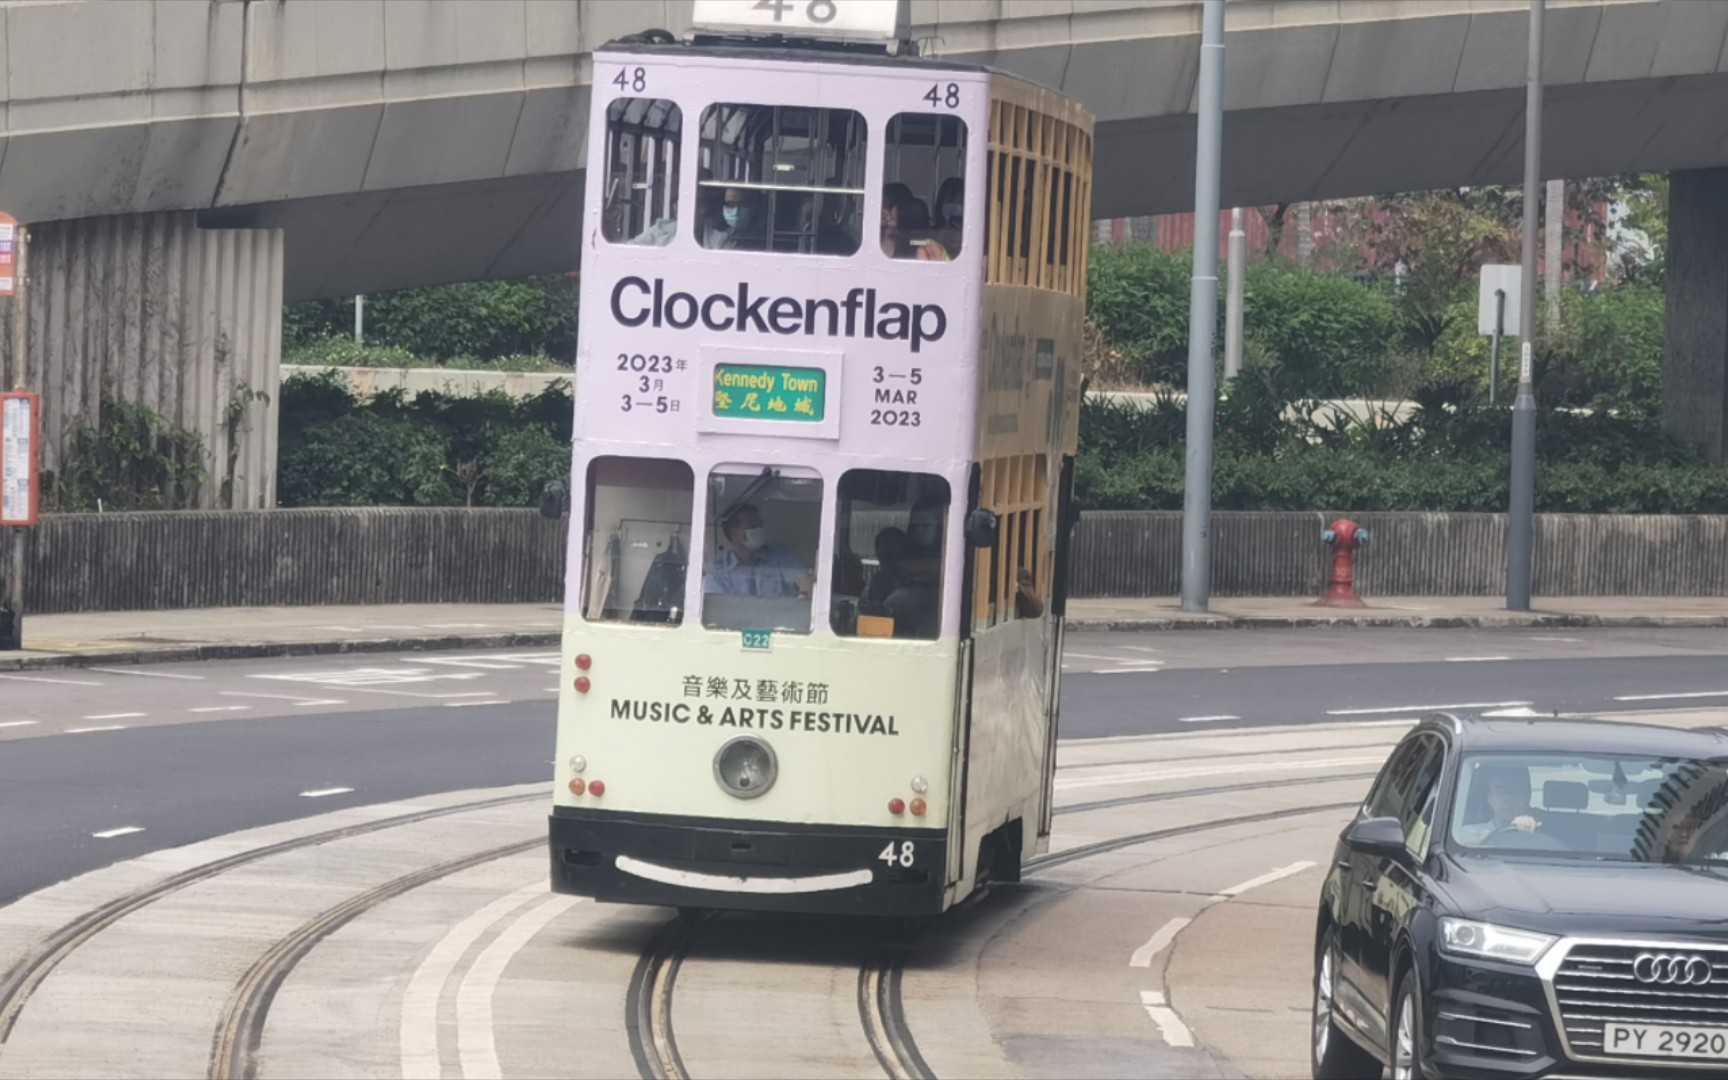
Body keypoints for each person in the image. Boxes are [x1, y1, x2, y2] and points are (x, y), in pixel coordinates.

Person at [703, 505, 811, 598]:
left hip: (777, 621)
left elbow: (804, 579)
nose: (759, 529)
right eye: (752, 526)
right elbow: (717, 605)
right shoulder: (718, 568)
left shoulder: (780, 556)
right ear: (733, 534)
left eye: (760, 525)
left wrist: (804, 593)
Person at [1457, 766, 1542, 845]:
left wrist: (1526, 832)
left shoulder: (1541, 831)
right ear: (1489, 799)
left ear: (1526, 797)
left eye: (1513, 791)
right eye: (1500, 791)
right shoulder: (1466, 833)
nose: (1507, 798)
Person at [705, 186, 768, 251]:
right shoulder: (712, 232)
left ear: (754, 205)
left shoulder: (765, 238)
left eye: (743, 204)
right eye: (730, 204)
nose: (736, 211)